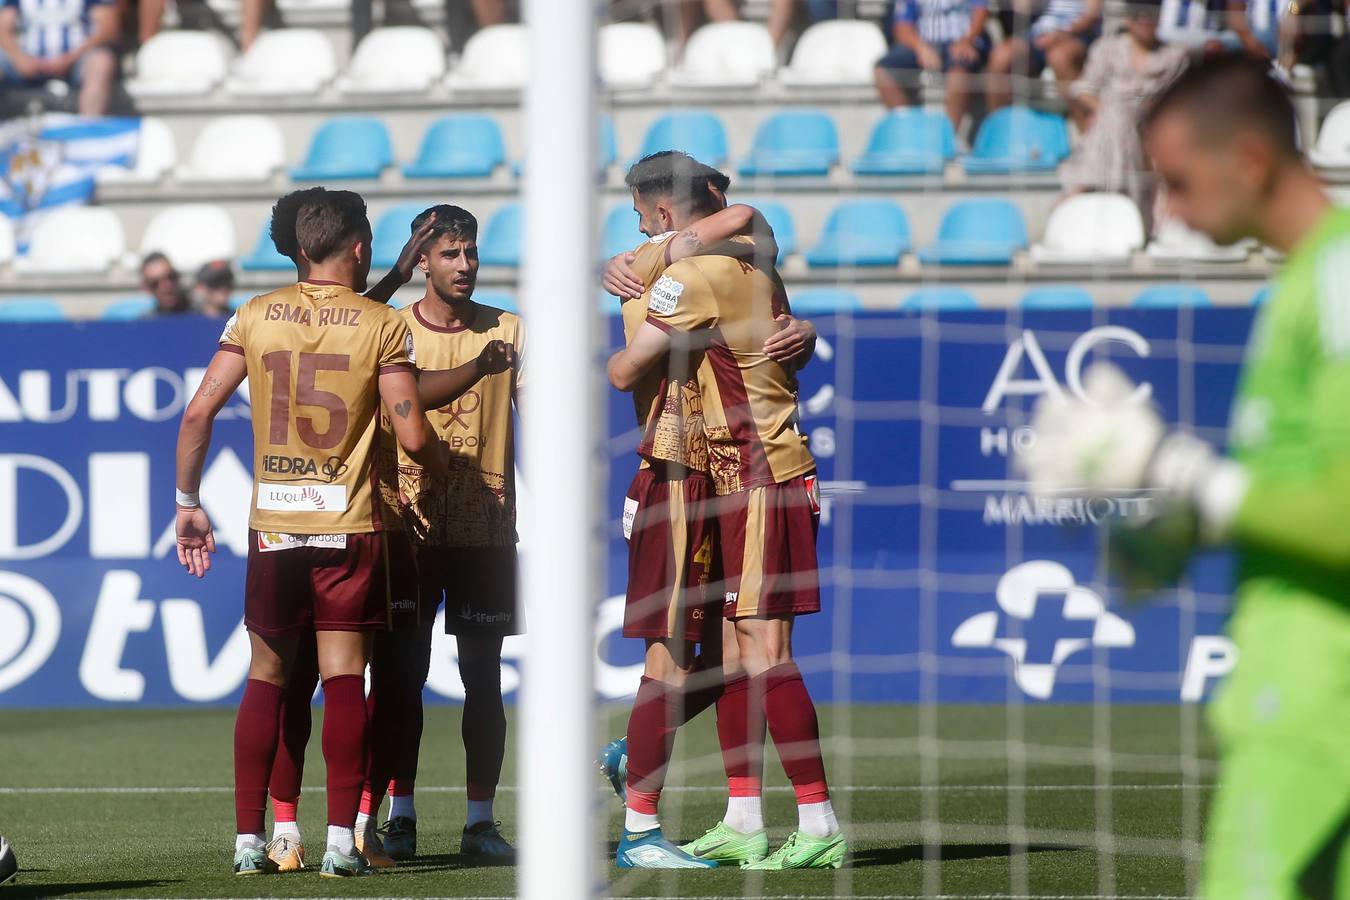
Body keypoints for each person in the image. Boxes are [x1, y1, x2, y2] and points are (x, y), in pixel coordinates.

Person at [1019, 53, 1349, 899]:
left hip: (1320, 722)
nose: (1166, 207)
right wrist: (1176, 525)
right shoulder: (1306, 282)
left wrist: (1177, 469)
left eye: (1177, 180)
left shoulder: (1341, 277)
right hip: (1298, 709)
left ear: (1248, 158)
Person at [173, 189, 448, 878]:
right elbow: (411, 435)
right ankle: (337, 845)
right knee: (344, 676)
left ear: (300, 248)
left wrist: (187, 502)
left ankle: (248, 843)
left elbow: (199, 413)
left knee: (267, 676)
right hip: (348, 526)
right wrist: (443, 465)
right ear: (358, 247)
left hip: (275, 526)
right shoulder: (383, 325)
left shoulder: (255, 315)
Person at [608, 155, 847, 871]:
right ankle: (726, 815)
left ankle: (789, 819)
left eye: (644, 219)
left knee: (747, 654)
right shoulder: (753, 270)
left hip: (743, 477)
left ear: (663, 216)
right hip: (701, 481)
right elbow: (751, 226)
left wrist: (651, 260)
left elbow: (623, 369)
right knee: (728, 654)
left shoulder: (683, 274)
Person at [389, 204, 524, 863]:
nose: (465, 265)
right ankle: (400, 816)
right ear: (422, 261)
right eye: (449, 254)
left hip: (486, 530)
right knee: (400, 674)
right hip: (408, 529)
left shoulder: (511, 328)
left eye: (470, 252)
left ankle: (480, 823)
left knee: (484, 677)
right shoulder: (390, 330)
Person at [1059, 0, 1189, 216]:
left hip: (1149, 126)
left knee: (1124, 120)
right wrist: (1107, 110)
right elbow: (1084, 89)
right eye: (1138, 15)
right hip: (1111, 123)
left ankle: (1084, 189)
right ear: (1128, 18)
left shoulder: (1173, 56)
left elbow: (1177, 101)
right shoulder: (1108, 48)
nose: (1144, 21)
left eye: (1150, 14)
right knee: (1118, 119)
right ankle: (1120, 198)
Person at [874, 0, 991, 130]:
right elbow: (902, 27)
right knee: (884, 70)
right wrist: (921, 49)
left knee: (959, 70)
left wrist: (967, 40)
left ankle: (947, 137)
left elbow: (981, 11)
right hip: (922, 42)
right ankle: (907, 132)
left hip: (962, 41)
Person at [985, 0, 1102, 127]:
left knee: (1059, 57)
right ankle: (998, 130)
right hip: (1036, 34)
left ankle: (1083, 130)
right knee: (1001, 56)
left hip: (1077, 34)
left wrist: (1061, 34)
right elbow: (1022, 8)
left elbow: (1091, 16)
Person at [0, 0, 118, 115]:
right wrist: (20, 58)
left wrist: (69, 59)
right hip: (25, 62)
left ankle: (90, 124)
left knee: (101, 61)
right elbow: (3, 28)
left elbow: (107, 30)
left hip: (76, 61)